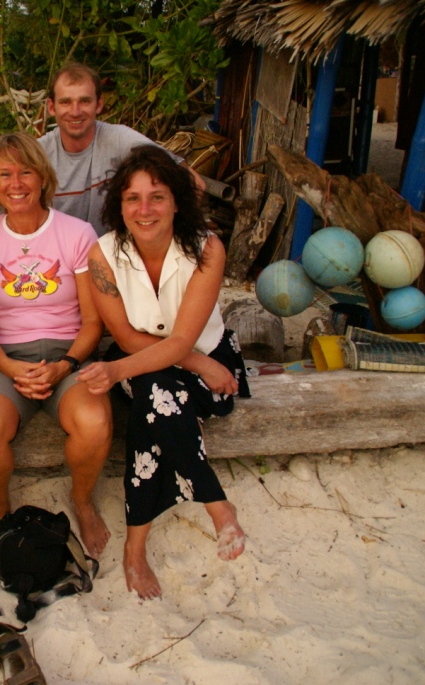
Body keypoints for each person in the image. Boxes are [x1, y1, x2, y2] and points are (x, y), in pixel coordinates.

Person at [78, 146, 249, 601]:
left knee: (152, 405)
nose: (145, 209)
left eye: (157, 197)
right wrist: (192, 363)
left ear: (176, 201)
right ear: (120, 205)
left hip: (205, 361)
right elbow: (126, 336)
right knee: (156, 392)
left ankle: (135, 548)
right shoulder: (103, 254)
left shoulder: (206, 249)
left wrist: (118, 370)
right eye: (132, 198)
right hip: (152, 359)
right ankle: (217, 505)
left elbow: (183, 340)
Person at [0, 132, 113, 560]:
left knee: (94, 422)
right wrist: (10, 368)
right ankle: (0, 513)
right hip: (8, 358)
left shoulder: (77, 233)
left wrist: (65, 365)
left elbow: (93, 321)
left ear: (43, 177)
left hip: (69, 354)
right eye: (4, 174)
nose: (16, 184)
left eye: (26, 172)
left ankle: (82, 501)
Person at [0, 62, 204, 236]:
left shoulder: (121, 140)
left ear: (99, 104)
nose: (75, 111)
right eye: (66, 102)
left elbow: (194, 184)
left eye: (85, 101)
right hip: (57, 269)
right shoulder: (37, 154)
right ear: (51, 107)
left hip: (116, 259)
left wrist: (155, 241)